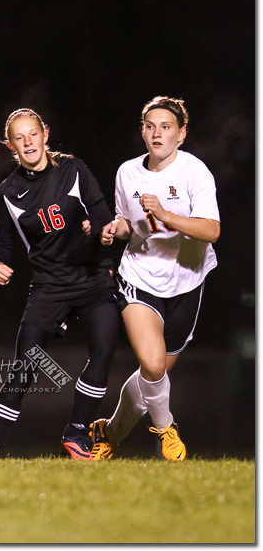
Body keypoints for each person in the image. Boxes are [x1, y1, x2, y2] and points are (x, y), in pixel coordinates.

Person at [0, 108, 120, 460]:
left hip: (91, 278)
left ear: (45, 134)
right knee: (25, 367)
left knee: (103, 350)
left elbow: (102, 213)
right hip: (48, 286)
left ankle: (76, 434)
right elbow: (3, 243)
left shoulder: (73, 169)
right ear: (10, 145)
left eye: (33, 133)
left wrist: (101, 231)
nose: (28, 142)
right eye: (19, 137)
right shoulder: (8, 192)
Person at [90, 96, 220, 461]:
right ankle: (167, 429)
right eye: (150, 126)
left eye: (166, 126)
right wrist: (114, 229)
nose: (157, 133)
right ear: (142, 132)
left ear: (181, 134)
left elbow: (211, 230)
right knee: (152, 364)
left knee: (154, 374)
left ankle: (109, 432)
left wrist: (164, 214)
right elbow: (129, 224)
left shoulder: (194, 172)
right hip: (139, 277)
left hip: (187, 283)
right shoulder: (127, 172)